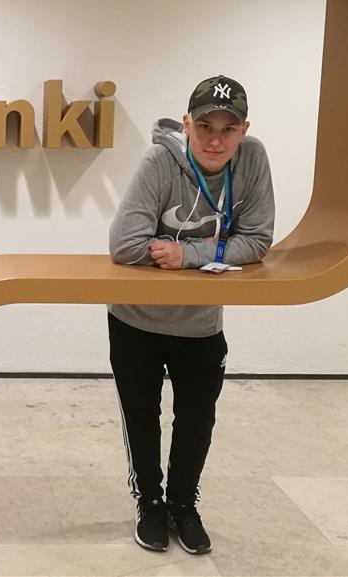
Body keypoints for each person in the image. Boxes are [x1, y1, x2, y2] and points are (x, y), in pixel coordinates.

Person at [107, 75, 274, 555]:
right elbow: (124, 245)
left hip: (202, 324)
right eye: (205, 126)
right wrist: (220, 249)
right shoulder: (161, 160)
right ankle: (151, 503)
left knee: (197, 420)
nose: (216, 139)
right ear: (187, 125)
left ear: (244, 129)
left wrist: (190, 254)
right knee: (141, 417)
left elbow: (259, 240)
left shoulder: (253, 160)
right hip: (136, 321)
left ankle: (184, 503)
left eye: (228, 127)